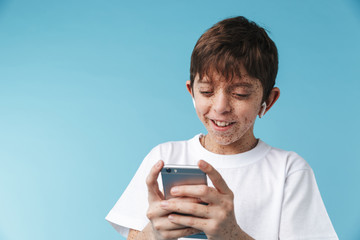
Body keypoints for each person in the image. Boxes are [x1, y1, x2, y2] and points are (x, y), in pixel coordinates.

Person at [106, 16, 338, 240]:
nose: (220, 107)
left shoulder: (289, 171)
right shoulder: (163, 157)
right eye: (207, 91)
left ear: (269, 99)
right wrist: (155, 235)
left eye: (240, 94)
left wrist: (232, 235)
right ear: (192, 92)